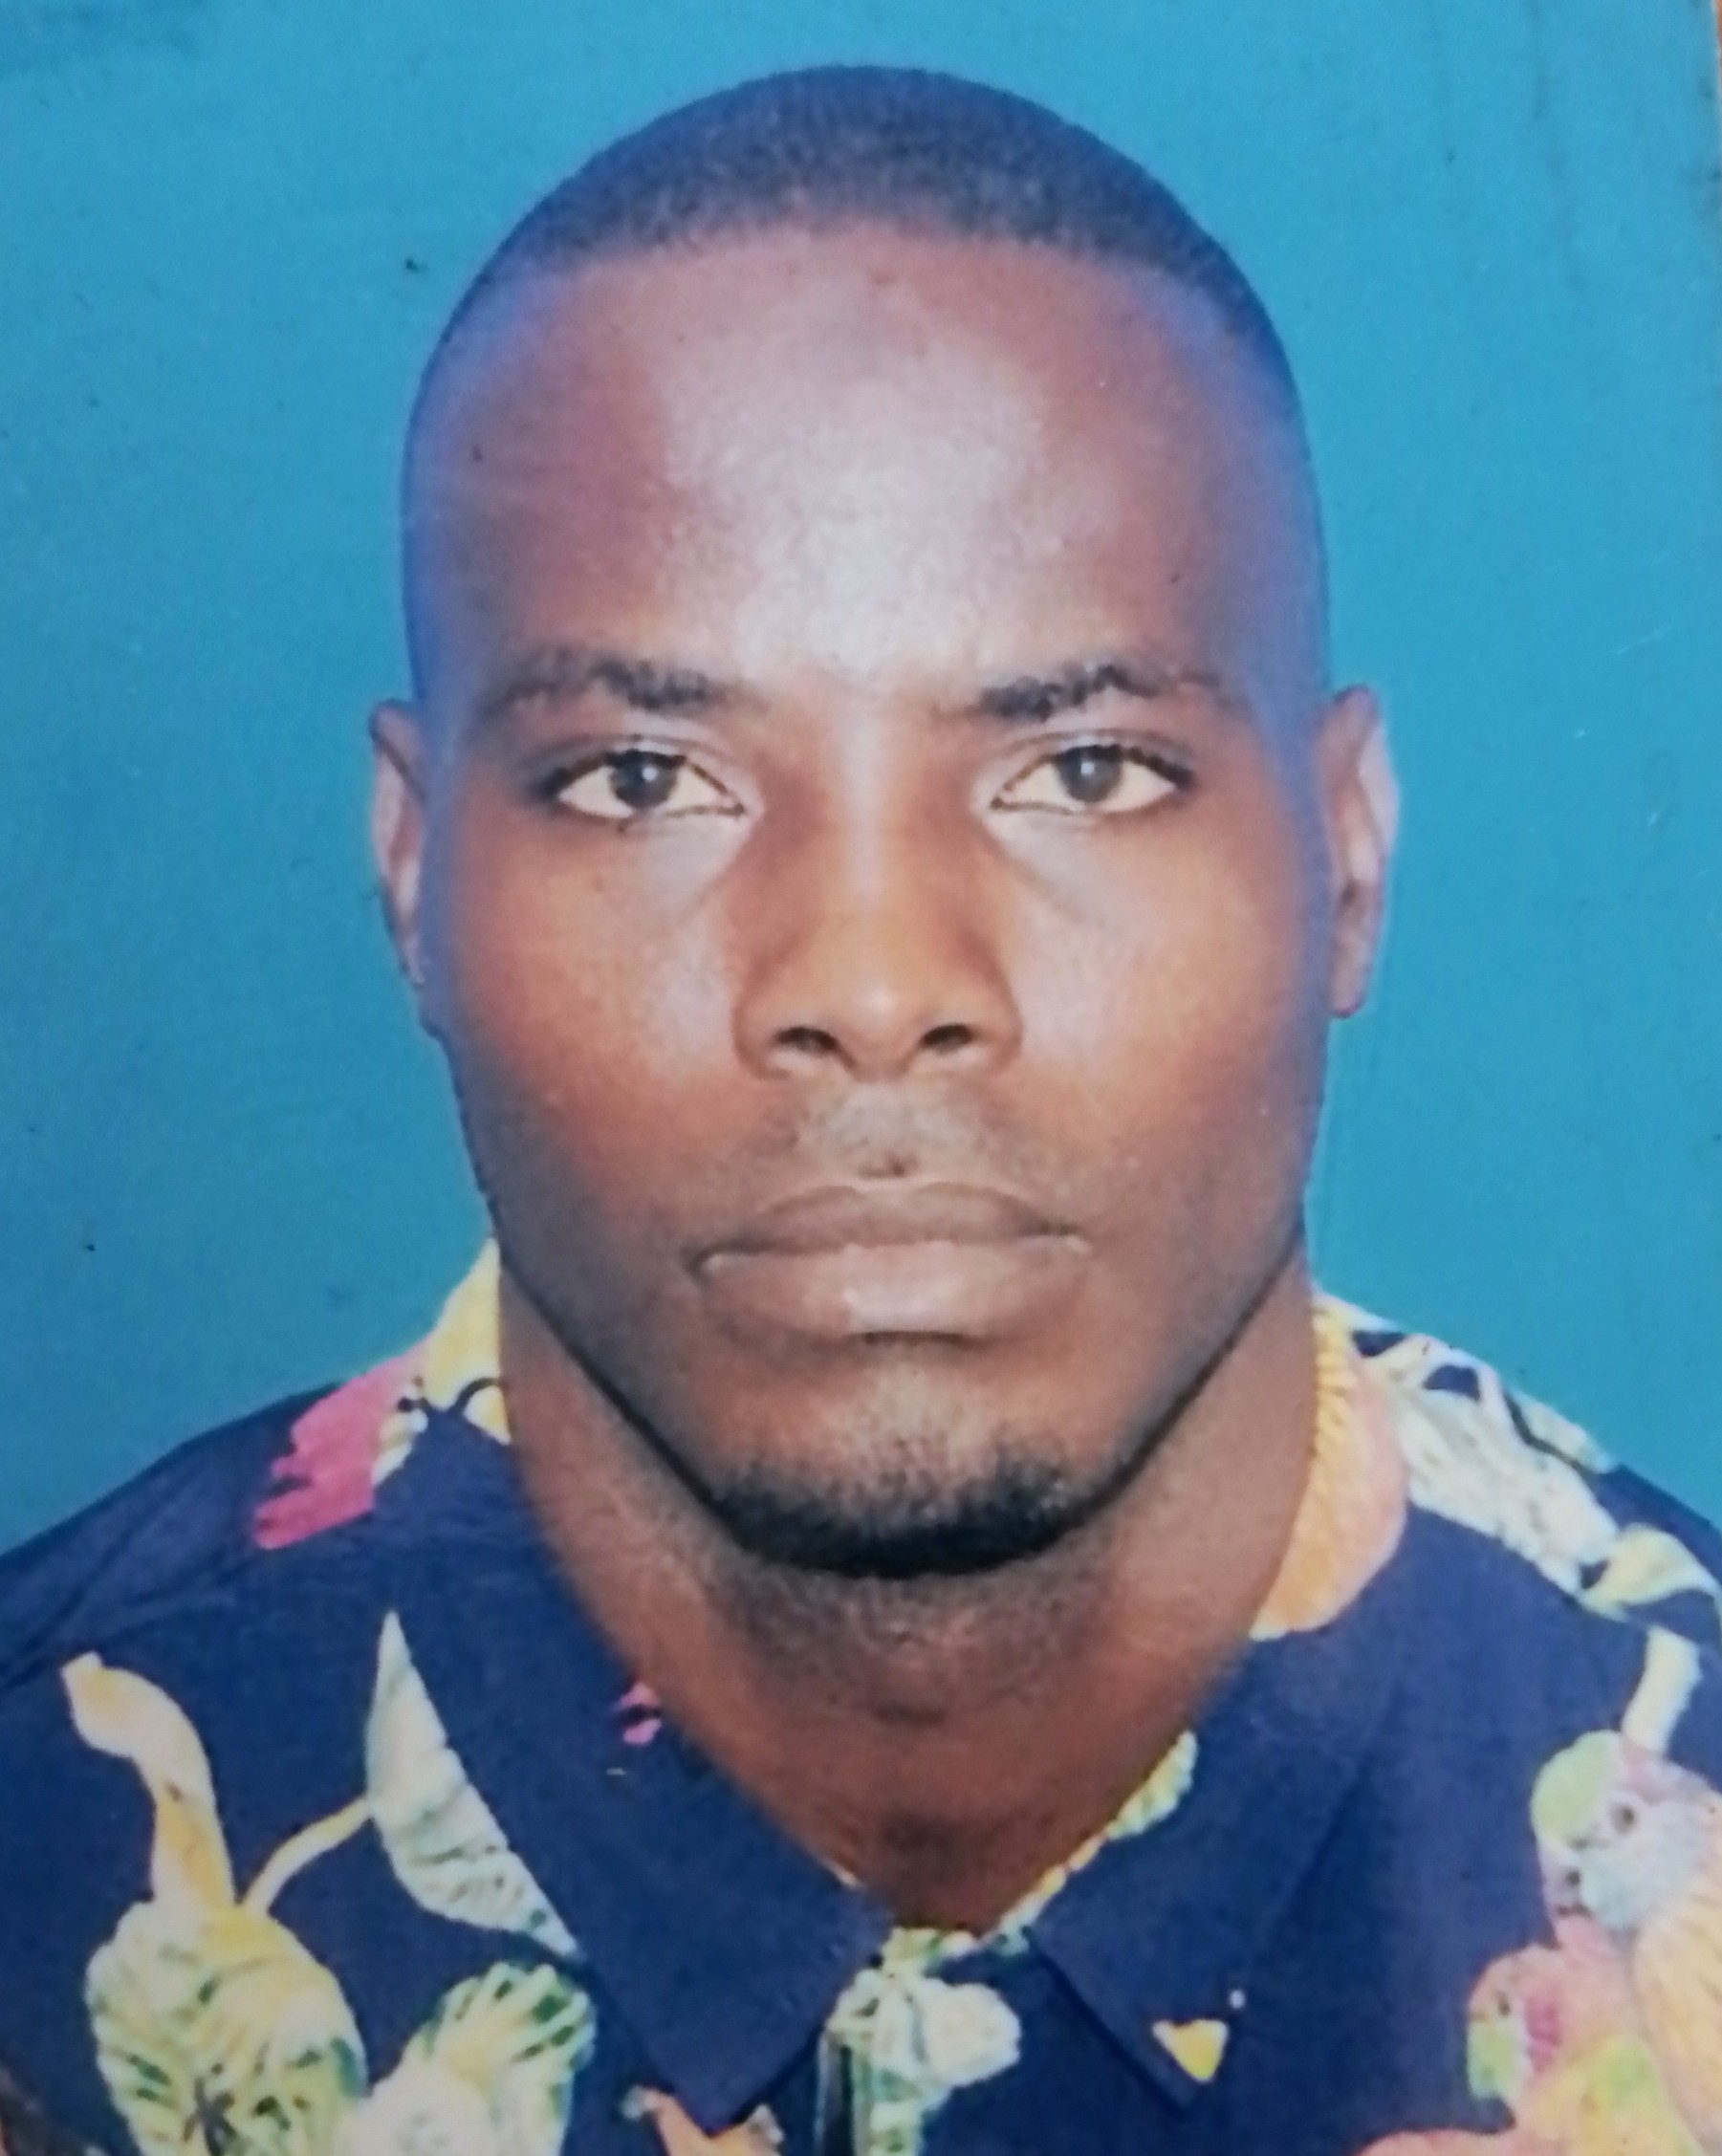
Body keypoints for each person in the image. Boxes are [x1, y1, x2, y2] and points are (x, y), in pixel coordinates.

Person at [3, 62, 1721, 2156]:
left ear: (1344, 861)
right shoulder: (45, 1860)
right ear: (411, 876)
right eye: (645, 779)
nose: (875, 985)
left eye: (1083, 768)